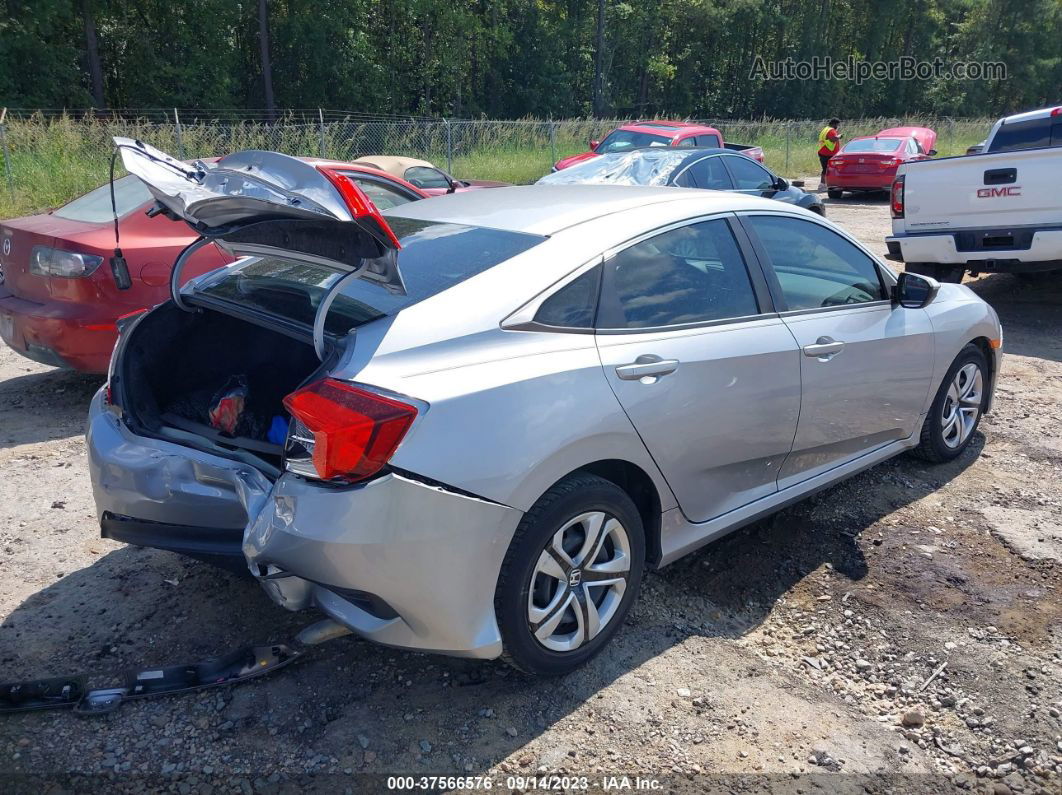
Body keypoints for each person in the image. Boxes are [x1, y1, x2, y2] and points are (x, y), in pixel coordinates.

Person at [817, 118, 842, 190]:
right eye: (837, 125)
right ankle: (824, 185)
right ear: (834, 124)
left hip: (823, 152)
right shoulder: (831, 130)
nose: (837, 126)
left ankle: (823, 184)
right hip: (828, 153)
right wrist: (839, 136)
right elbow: (833, 139)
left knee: (825, 169)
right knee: (828, 170)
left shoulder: (825, 129)